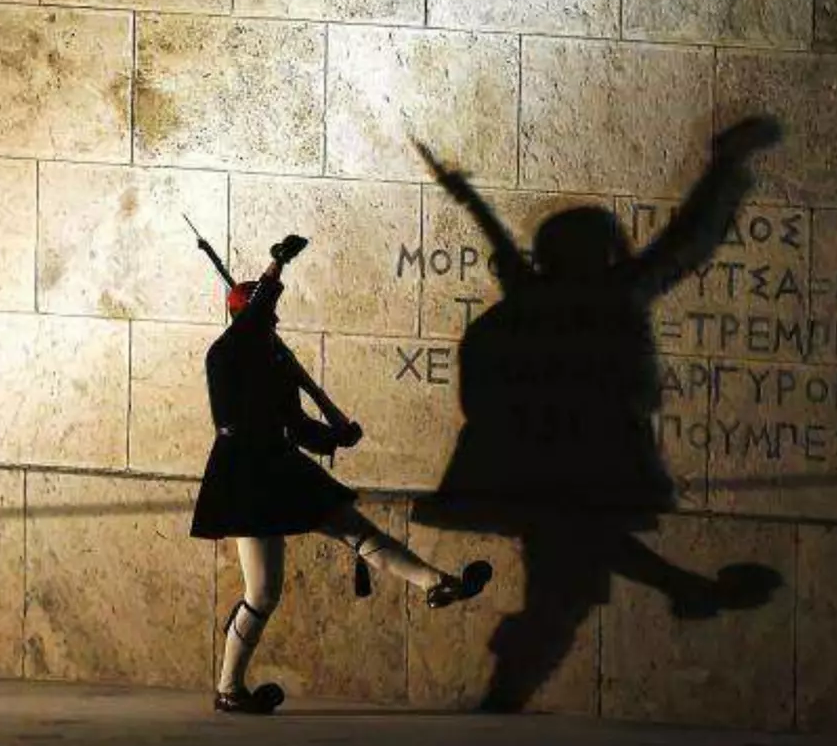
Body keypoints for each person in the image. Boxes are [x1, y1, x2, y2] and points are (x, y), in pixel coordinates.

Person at [413, 117, 785, 712]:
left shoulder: (533, 297)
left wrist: (471, 199)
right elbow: (688, 240)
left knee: (571, 578)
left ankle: (683, 592)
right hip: (582, 463)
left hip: (535, 467)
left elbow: (504, 251)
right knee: (575, 568)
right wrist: (724, 167)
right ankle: (686, 590)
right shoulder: (614, 294)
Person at [190, 241, 492, 715]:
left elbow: (294, 422)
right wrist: (278, 264)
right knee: (264, 591)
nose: (274, 324)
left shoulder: (273, 360)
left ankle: (436, 583)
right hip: (245, 472)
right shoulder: (226, 353)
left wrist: (335, 438)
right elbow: (256, 315)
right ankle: (230, 687)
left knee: (357, 530)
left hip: (280, 462)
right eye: (266, 317)